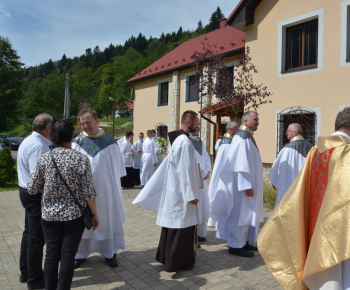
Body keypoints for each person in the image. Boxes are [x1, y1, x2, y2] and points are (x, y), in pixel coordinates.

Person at [258, 107, 350, 289]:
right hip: (339, 236)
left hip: (315, 227)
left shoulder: (316, 151)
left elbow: (299, 193)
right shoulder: (345, 152)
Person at [27, 118, 99, 290]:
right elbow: (89, 193)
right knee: (67, 256)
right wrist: (95, 214)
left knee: (51, 255)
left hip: (49, 216)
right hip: (74, 216)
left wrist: (48, 188)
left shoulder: (45, 159)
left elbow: (32, 188)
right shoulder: (81, 159)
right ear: (71, 136)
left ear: (52, 136)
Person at [133, 110, 201, 272]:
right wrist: (190, 195)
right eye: (197, 122)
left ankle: (169, 258)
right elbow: (184, 171)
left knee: (174, 229)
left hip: (176, 191)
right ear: (189, 121)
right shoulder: (184, 142)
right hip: (181, 195)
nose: (198, 125)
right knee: (180, 229)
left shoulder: (178, 140)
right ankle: (178, 262)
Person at [72, 108, 126, 268]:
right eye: (82, 123)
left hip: (107, 193)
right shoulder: (77, 142)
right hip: (83, 195)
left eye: (88, 122)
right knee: (83, 224)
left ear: (97, 121)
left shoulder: (110, 143)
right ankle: (80, 253)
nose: (85, 126)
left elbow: (118, 171)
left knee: (107, 220)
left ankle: (109, 253)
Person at [210, 111, 263, 257]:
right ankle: (235, 245)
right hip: (241, 187)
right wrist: (246, 185)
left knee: (245, 213)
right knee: (239, 213)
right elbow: (240, 164)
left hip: (245, 186)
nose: (258, 122)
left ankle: (243, 241)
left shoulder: (247, 137)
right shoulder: (241, 137)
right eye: (255, 119)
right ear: (245, 121)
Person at [17, 113, 53, 289]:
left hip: (26, 192)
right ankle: (35, 279)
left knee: (29, 235)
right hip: (34, 196)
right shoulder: (38, 145)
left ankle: (25, 272)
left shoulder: (29, 140)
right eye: (51, 127)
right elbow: (37, 179)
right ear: (47, 128)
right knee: (36, 239)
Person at [267, 123, 313, 208]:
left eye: (288, 131)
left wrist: (276, 182)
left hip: (288, 187)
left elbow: (278, 168)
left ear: (295, 133)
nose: (286, 133)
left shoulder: (287, 149)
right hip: (304, 186)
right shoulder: (311, 147)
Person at [208, 122, 239, 228]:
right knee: (223, 199)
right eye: (237, 129)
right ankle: (220, 224)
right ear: (231, 129)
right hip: (225, 175)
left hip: (223, 174)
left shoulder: (223, 141)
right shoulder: (227, 144)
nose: (238, 132)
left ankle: (216, 222)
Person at [189, 123, 212, 242]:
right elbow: (193, 161)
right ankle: (191, 235)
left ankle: (198, 233)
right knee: (195, 207)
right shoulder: (187, 141)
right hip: (195, 179)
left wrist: (208, 170)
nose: (198, 127)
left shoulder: (200, 141)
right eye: (196, 125)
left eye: (199, 125)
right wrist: (204, 172)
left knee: (201, 206)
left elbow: (206, 158)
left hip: (202, 179)